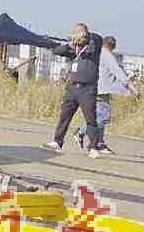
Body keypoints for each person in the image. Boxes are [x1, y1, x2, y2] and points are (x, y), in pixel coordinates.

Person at [46, 23, 106, 157]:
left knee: (91, 119)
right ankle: (57, 141)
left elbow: (98, 38)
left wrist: (86, 35)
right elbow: (56, 50)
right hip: (72, 88)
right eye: (75, 33)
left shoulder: (93, 47)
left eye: (80, 33)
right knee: (64, 116)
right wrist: (71, 44)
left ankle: (93, 147)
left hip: (87, 89)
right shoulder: (73, 48)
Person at [76, 35, 138, 154]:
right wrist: (133, 89)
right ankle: (81, 131)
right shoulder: (107, 56)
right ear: (113, 46)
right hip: (102, 90)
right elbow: (118, 72)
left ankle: (99, 143)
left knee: (99, 115)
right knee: (103, 117)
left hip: (92, 88)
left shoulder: (96, 53)